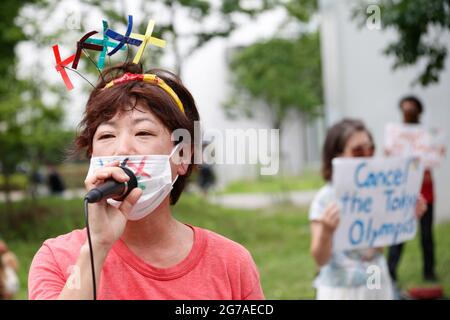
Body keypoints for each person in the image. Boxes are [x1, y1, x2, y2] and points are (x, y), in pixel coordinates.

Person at [28, 63, 264, 300]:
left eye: (143, 133)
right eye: (107, 135)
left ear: (183, 156)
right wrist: (97, 246)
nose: (121, 150)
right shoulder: (56, 258)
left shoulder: (231, 262)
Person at [309, 119, 426, 300]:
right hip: (341, 289)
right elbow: (320, 259)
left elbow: (378, 245)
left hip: (375, 279)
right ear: (337, 155)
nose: (366, 155)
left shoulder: (381, 190)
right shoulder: (325, 198)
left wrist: (405, 215)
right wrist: (326, 231)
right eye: (357, 151)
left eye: (370, 149)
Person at [387, 96, 438, 282]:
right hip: (403, 190)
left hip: (425, 190)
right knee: (397, 234)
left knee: (426, 235)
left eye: (411, 109)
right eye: (404, 110)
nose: (407, 113)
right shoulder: (395, 134)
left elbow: (433, 156)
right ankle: (389, 273)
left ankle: (429, 271)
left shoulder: (427, 135)